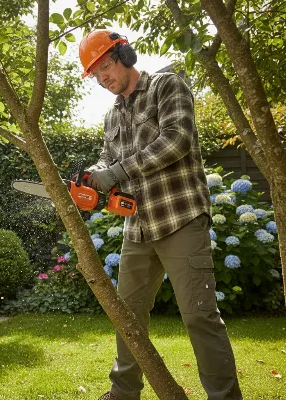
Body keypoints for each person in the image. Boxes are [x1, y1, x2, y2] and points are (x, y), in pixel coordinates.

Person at [78, 30, 243, 400]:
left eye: (105, 67)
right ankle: (123, 393)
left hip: (180, 216)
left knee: (200, 315)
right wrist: (95, 174)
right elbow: (108, 157)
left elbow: (176, 139)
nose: (103, 78)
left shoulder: (166, 86)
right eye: (96, 74)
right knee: (127, 316)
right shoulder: (112, 115)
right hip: (137, 227)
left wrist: (117, 173)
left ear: (125, 54)